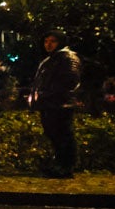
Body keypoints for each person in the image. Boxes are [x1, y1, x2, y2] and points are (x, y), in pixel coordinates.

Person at [30, 30, 81, 178]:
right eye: (46, 41)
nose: (48, 44)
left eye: (53, 41)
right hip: (49, 104)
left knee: (63, 136)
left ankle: (66, 167)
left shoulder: (68, 57)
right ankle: (59, 165)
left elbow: (69, 81)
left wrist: (49, 94)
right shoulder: (51, 59)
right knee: (54, 135)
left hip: (61, 104)